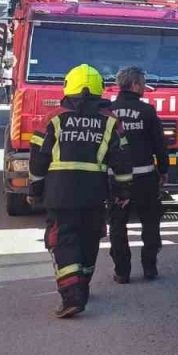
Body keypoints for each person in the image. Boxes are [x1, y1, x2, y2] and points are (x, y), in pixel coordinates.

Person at [27, 64, 133, 318]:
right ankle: (81, 287)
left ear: (68, 88)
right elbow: (123, 162)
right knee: (88, 240)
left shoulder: (53, 119)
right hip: (95, 194)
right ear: (99, 91)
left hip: (60, 194)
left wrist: (34, 190)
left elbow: (37, 160)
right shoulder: (111, 122)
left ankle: (72, 295)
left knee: (62, 242)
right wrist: (123, 191)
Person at [108, 66, 169, 283]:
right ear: (134, 84)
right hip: (145, 178)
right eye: (143, 83)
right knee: (150, 222)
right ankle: (149, 267)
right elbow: (159, 144)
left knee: (117, 224)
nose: (144, 87)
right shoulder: (147, 111)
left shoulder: (108, 111)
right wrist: (163, 170)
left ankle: (122, 271)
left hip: (116, 180)